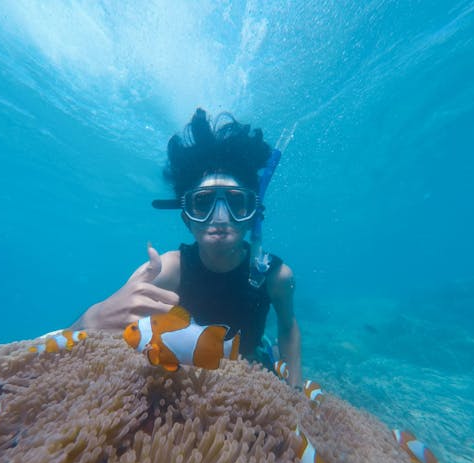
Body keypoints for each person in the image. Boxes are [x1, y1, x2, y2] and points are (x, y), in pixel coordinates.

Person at [71, 108, 301, 388]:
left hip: (250, 362)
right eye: (203, 204)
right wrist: (89, 319)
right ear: (186, 218)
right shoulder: (167, 270)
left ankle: (266, 350)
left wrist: (296, 388)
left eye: (236, 203)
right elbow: (114, 327)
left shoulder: (276, 277)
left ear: (252, 214)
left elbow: (288, 328)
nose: (220, 217)